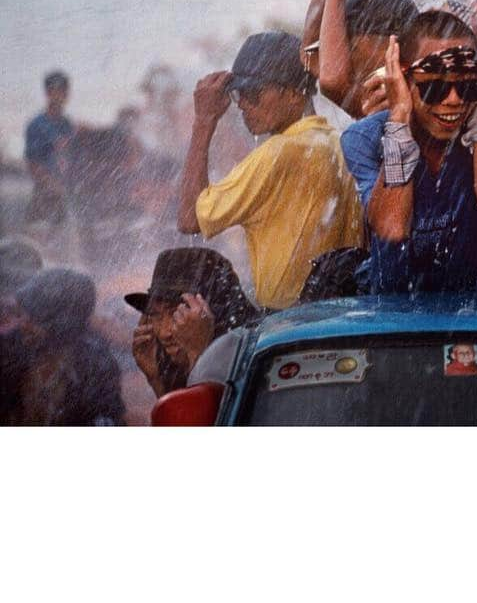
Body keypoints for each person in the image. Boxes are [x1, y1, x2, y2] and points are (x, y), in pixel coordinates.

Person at [176, 31, 365, 311]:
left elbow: (190, 219)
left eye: (253, 93)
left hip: (289, 321)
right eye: (238, 93)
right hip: (343, 311)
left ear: (294, 93)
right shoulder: (339, 142)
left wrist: (203, 121)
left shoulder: (279, 152)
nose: (242, 103)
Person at [341, 9, 477, 294]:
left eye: (465, 85)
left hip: (474, 307)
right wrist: (400, 116)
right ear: (402, 82)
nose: (453, 100)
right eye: (434, 87)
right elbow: (392, 227)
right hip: (396, 313)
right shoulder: (363, 137)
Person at [300, 0, 419, 119]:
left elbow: (332, 82)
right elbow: (309, 53)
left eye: (350, 50)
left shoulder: (415, 95)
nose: (342, 63)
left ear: (396, 43)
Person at [125, 247, 257, 398]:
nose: (164, 332)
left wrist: (200, 355)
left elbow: (219, 417)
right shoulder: (175, 369)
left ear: (211, 309)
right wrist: (156, 379)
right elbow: (184, 418)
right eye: (156, 315)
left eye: (177, 312)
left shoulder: (254, 358)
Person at [0, 268, 125, 426]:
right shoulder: (9, 352)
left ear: (62, 324)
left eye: (35, 318)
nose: (23, 325)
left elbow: (106, 416)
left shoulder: (95, 365)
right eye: (23, 314)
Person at [23, 71, 75, 225]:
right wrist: (52, 185)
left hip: (66, 196)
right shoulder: (37, 124)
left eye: (63, 91)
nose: (59, 95)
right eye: (55, 91)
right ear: (47, 93)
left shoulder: (68, 124)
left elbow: (72, 158)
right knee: (41, 239)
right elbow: (32, 163)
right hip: (44, 195)